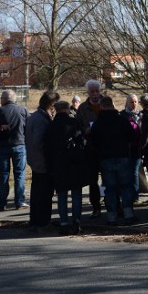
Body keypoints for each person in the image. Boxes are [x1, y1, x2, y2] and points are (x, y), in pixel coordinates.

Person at [90, 96, 140, 225]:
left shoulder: (97, 123)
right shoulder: (122, 120)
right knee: (126, 186)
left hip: (105, 158)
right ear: (113, 105)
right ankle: (129, 214)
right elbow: (132, 137)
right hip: (122, 155)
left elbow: (93, 142)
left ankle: (111, 217)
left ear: (101, 107)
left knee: (110, 189)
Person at [45, 100, 91, 234]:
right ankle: (76, 221)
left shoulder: (51, 126)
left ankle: (64, 222)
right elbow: (82, 141)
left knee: (62, 195)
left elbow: (47, 147)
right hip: (75, 163)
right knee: (76, 194)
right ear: (67, 109)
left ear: (56, 110)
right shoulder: (74, 123)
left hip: (58, 164)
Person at [0, 89, 29, 211]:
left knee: (4, 175)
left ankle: (2, 202)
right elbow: (28, 126)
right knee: (19, 174)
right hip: (19, 143)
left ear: (3, 99)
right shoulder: (22, 110)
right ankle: (19, 201)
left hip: (2, 146)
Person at [76, 80, 109, 217]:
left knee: (109, 178)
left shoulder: (107, 103)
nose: (95, 94)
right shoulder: (83, 108)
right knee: (92, 179)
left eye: (97, 91)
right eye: (92, 92)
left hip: (107, 147)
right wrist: (86, 130)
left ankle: (111, 205)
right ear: (88, 93)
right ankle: (96, 207)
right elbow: (78, 128)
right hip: (91, 147)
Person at [25, 92, 57, 230]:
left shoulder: (34, 117)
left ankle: (35, 220)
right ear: (50, 105)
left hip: (34, 160)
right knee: (44, 194)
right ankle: (42, 222)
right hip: (42, 162)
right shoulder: (41, 120)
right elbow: (39, 141)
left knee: (37, 193)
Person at [121, 94, 143, 199]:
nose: (134, 104)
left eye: (135, 102)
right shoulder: (122, 116)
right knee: (127, 172)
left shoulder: (141, 115)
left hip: (138, 148)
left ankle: (135, 196)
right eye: (131, 102)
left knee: (134, 171)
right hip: (126, 148)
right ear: (127, 103)